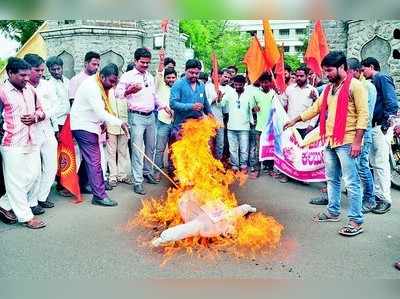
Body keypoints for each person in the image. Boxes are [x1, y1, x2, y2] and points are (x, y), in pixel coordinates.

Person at [284, 51, 369, 237]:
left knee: (352, 183)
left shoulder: (356, 86)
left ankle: (356, 220)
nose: (326, 74)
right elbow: (316, 108)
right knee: (332, 179)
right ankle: (333, 211)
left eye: (329, 70)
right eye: (324, 71)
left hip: (348, 142)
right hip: (331, 140)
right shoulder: (330, 89)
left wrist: (357, 142)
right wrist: (295, 120)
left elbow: (363, 115)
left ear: (341, 67)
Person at [70, 63, 130, 206]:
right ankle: (99, 196)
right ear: (102, 76)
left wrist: (103, 122)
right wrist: (120, 122)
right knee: (95, 161)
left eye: (115, 82)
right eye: (111, 81)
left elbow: (101, 110)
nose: (113, 85)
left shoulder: (101, 84)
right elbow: (100, 111)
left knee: (89, 159)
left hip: (91, 124)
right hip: (83, 125)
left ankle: (82, 184)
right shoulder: (92, 86)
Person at [115, 48, 170, 195]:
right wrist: (129, 91)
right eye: (142, 62)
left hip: (151, 117)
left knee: (150, 148)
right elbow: (118, 93)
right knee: (138, 150)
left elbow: (154, 95)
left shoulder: (149, 76)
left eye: (147, 63)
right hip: (136, 117)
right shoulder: (127, 76)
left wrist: (164, 106)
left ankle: (147, 172)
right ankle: (138, 181)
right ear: (135, 61)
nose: (145, 65)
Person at [0, 57, 46, 229]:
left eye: (28, 75)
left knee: (33, 176)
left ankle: (4, 204)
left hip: (32, 139)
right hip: (12, 143)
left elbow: (42, 111)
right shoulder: (2, 92)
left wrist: (35, 117)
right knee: (16, 182)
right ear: (9, 73)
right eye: (22, 75)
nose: (26, 79)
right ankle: (27, 217)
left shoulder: (31, 90)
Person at [361, 57, 399, 214]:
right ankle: (377, 196)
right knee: (374, 163)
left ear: (371, 67)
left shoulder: (381, 77)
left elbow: (392, 103)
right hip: (373, 127)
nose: (362, 73)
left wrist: (385, 125)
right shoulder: (371, 82)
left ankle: (384, 199)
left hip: (380, 127)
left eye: (363, 70)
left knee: (381, 164)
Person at [24, 53, 58, 214]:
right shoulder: (22, 86)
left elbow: (56, 106)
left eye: (42, 70)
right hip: (30, 131)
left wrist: (44, 115)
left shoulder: (47, 85)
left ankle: (41, 198)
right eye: (37, 70)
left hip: (46, 127)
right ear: (27, 69)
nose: (40, 73)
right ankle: (31, 202)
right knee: (35, 170)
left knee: (51, 166)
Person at [347, 58, 377, 213]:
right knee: (355, 167)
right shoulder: (354, 86)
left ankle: (370, 200)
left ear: (357, 72)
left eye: (348, 73)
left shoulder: (366, 87)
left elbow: (366, 116)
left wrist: (359, 138)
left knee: (362, 166)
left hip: (363, 134)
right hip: (353, 134)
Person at [219, 75, 255, 173]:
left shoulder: (249, 95)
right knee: (233, 148)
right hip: (231, 126)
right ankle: (235, 166)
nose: (238, 87)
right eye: (235, 85)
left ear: (244, 84)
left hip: (244, 126)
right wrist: (219, 98)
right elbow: (221, 105)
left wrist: (256, 109)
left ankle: (243, 165)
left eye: (240, 85)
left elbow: (253, 108)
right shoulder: (230, 93)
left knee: (244, 148)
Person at [106, 65, 133, 188]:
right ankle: (112, 177)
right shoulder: (106, 90)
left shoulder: (124, 90)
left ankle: (122, 175)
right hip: (111, 125)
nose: (115, 79)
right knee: (111, 152)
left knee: (123, 151)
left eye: (117, 76)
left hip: (124, 125)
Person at [170, 58, 213, 137]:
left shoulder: (201, 85)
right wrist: (191, 106)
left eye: (197, 73)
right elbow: (173, 104)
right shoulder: (178, 84)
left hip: (199, 126)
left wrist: (211, 115)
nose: (194, 75)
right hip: (181, 127)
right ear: (185, 70)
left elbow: (206, 102)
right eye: (191, 72)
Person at [249, 73, 276, 178]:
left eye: (267, 82)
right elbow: (251, 106)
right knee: (258, 149)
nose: (265, 84)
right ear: (260, 83)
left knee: (270, 149)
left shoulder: (274, 93)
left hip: (271, 128)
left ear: (270, 82)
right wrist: (254, 108)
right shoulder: (255, 94)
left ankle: (270, 169)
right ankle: (256, 170)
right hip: (259, 127)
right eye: (263, 82)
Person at [205, 68, 235, 161]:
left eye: (228, 77)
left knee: (220, 143)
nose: (227, 79)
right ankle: (209, 163)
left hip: (221, 119)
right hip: (208, 119)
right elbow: (204, 102)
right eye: (225, 76)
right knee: (209, 143)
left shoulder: (230, 89)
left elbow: (226, 107)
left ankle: (219, 163)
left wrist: (220, 100)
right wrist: (214, 99)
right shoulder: (207, 86)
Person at [282, 65, 319, 139]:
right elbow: (282, 104)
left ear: (307, 76)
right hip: (291, 126)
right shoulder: (289, 89)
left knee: (304, 150)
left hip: (306, 127)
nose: (298, 78)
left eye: (301, 76)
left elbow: (316, 109)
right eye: (297, 76)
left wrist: (312, 125)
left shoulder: (313, 90)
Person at [154, 67, 177, 181]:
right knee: (160, 149)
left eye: (173, 77)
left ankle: (172, 172)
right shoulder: (160, 86)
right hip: (163, 122)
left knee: (174, 149)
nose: (171, 79)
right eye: (168, 77)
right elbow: (158, 74)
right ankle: (157, 171)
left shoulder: (178, 88)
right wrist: (161, 61)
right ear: (164, 78)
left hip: (176, 123)